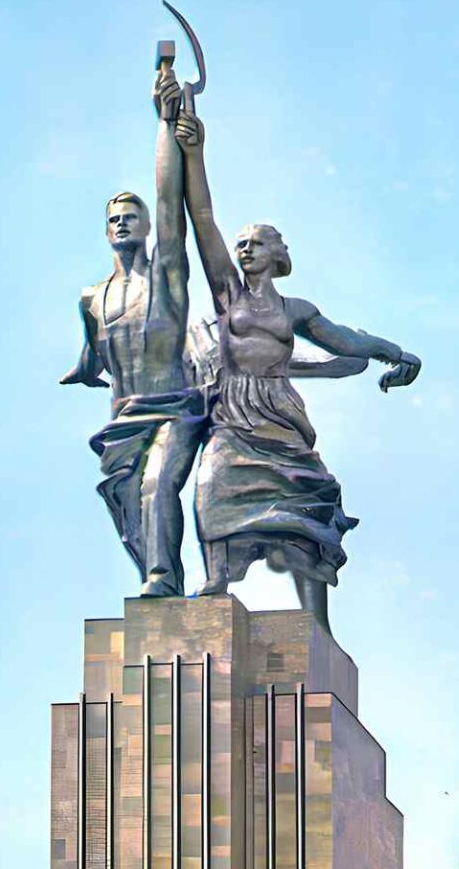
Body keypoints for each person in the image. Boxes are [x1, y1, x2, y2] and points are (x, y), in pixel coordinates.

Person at [173, 106, 420, 636]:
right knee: (212, 485)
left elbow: (348, 341)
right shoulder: (227, 293)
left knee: (305, 510)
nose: (244, 247)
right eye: (242, 243)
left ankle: (317, 624)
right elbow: (203, 218)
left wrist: (397, 352)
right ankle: (216, 579)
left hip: (280, 417)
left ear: (277, 254)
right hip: (233, 414)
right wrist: (194, 152)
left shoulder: (295, 311)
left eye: (257, 241)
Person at [61, 63, 204, 601]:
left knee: (155, 485)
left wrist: (165, 122)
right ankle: (158, 577)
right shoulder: (91, 298)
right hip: (123, 418)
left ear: (147, 228)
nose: (122, 223)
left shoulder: (166, 276)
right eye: (114, 218)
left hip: (175, 408)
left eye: (132, 216)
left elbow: (171, 202)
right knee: (124, 500)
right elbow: (93, 351)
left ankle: (163, 579)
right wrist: (82, 371)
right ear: (105, 231)